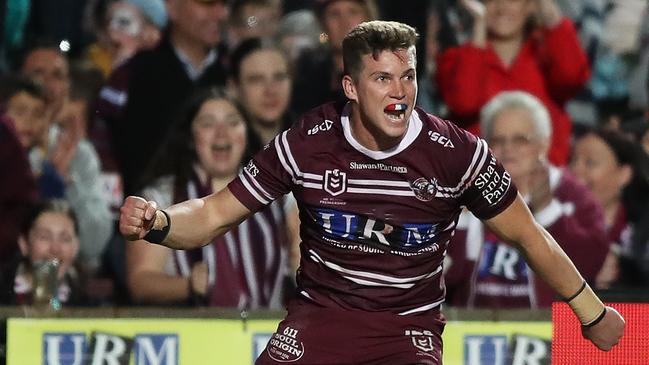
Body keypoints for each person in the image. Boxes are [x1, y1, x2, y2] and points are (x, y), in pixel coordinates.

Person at [119, 21, 624, 363]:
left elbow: (530, 237)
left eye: (407, 77)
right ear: (351, 88)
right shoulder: (306, 144)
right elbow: (211, 214)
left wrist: (592, 313)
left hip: (405, 332)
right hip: (320, 320)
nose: (400, 92)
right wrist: (160, 223)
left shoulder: (455, 153)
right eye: (383, 78)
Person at [126, 88, 296, 308]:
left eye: (233, 122)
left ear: (246, 133)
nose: (221, 134)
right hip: (192, 335)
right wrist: (186, 285)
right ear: (190, 137)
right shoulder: (162, 197)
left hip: (265, 335)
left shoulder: (280, 194)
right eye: (208, 124)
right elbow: (140, 282)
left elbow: (302, 264)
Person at [444, 91, 609, 308]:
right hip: (472, 330)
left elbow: (589, 266)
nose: (508, 148)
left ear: (544, 144)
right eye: (498, 140)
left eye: (520, 140)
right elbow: (447, 277)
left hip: (551, 331)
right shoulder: (468, 191)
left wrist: (547, 210)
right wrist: (463, 221)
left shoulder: (573, 195)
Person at [96, 0, 229, 195]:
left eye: (224, 3)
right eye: (207, 3)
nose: (221, 14)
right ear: (172, 6)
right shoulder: (130, 75)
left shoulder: (238, 73)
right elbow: (103, 149)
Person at [436, 0, 590, 166]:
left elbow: (572, 78)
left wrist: (549, 14)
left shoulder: (548, 52)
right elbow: (465, 103)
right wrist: (479, 28)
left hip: (542, 179)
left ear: (531, 6)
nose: (502, 7)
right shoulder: (458, 58)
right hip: (482, 179)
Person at [571, 129, 649, 288]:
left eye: (590, 162)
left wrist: (625, 274)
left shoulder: (644, 229)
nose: (575, 171)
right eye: (573, 160)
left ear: (624, 174)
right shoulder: (553, 225)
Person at [0, 199, 89, 306]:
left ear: (76, 247)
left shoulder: (88, 305)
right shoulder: (4, 292)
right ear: (24, 244)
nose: (55, 249)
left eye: (65, 239)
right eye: (44, 237)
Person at [229, 37, 294, 153]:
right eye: (256, 80)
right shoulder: (225, 149)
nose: (271, 90)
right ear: (234, 87)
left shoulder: (315, 140)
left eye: (279, 77)